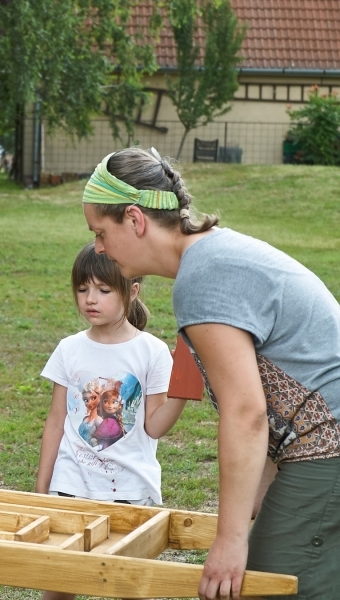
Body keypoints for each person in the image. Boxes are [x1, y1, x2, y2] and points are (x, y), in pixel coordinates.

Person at [81, 147, 340, 600]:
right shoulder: (213, 255)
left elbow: (246, 412)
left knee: (268, 585)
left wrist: (230, 539)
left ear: (135, 220)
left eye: (100, 232)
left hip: (327, 448)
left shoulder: (202, 278)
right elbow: (277, 398)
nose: (98, 247)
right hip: (314, 445)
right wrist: (259, 493)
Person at [36, 242, 184, 600]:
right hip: (71, 483)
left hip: (130, 489)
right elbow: (56, 421)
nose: (91, 299)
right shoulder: (68, 349)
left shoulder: (152, 352)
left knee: (126, 586)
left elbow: (154, 426)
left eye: (103, 290)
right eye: (83, 289)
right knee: (60, 582)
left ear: (132, 291)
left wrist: (183, 391)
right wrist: (42, 489)